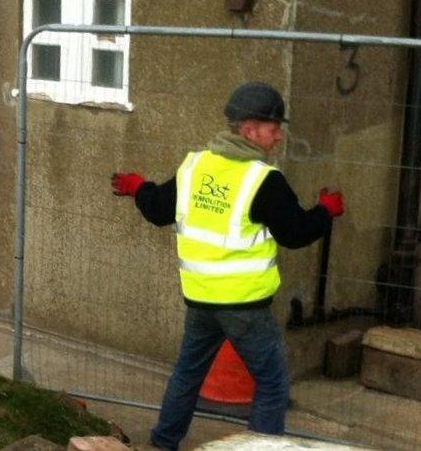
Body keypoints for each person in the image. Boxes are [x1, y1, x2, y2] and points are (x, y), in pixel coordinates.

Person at [110, 81, 345, 450]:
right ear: (250, 130)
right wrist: (326, 212)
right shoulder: (263, 180)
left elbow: (158, 210)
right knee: (271, 383)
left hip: (201, 300)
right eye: (273, 128)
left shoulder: (196, 165)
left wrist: (139, 188)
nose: (279, 136)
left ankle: (161, 443)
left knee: (188, 373)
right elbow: (296, 233)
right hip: (244, 306)